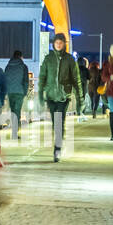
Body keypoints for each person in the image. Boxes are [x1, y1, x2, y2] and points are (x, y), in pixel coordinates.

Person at [37, 32, 83, 162]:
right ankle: (57, 146)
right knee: (55, 123)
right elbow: (42, 78)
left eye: (60, 43)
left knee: (59, 122)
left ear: (64, 44)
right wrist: (40, 94)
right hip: (51, 96)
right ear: (53, 44)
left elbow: (76, 79)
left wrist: (80, 97)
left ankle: (57, 149)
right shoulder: (48, 59)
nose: (58, 44)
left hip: (63, 96)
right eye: (56, 42)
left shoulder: (69, 59)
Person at [3, 49, 30, 140]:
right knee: (17, 112)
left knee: (13, 111)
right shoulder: (23, 66)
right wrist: (25, 92)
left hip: (10, 92)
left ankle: (14, 130)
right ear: (20, 57)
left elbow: (5, 79)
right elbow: (26, 81)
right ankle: (15, 132)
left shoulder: (8, 66)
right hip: (19, 92)